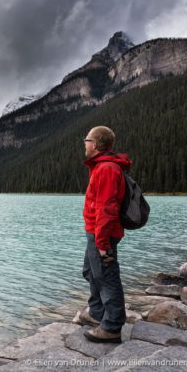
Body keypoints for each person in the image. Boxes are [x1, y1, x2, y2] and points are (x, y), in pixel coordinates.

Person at [81, 126, 132, 343]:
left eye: (87, 139)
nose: (84, 143)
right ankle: (97, 314)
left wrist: (102, 243)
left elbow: (106, 208)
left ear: (95, 144)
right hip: (95, 232)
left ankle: (112, 326)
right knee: (90, 272)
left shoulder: (107, 169)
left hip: (103, 235)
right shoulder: (101, 166)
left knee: (106, 277)